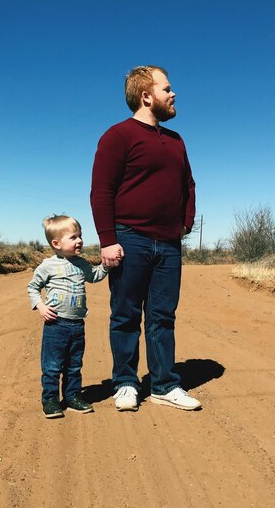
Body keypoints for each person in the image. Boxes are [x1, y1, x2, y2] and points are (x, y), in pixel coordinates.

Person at [90, 65, 201, 412]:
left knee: (162, 316)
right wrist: (107, 240)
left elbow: (188, 184)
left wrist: (186, 222)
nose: (173, 93)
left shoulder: (176, 140)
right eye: (166, 88)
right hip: (129, 238)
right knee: (124, 315)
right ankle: (125, 382)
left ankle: (165, 384)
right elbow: (102, 191)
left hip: (168, 244)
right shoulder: (117, 136)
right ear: (146, 96)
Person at [28, 215, 108, 418]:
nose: (80, 240)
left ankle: (72, 396)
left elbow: (95, 276)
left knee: (74, 365)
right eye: (73, 237)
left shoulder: (82, 264)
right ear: (56, 243)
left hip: (77, 325)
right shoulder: (48, 265)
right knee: (52, 366)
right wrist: (40, 306)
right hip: (56, 324)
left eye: (80, 235)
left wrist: (106, 266)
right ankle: (51, 399)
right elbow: (33, 287)